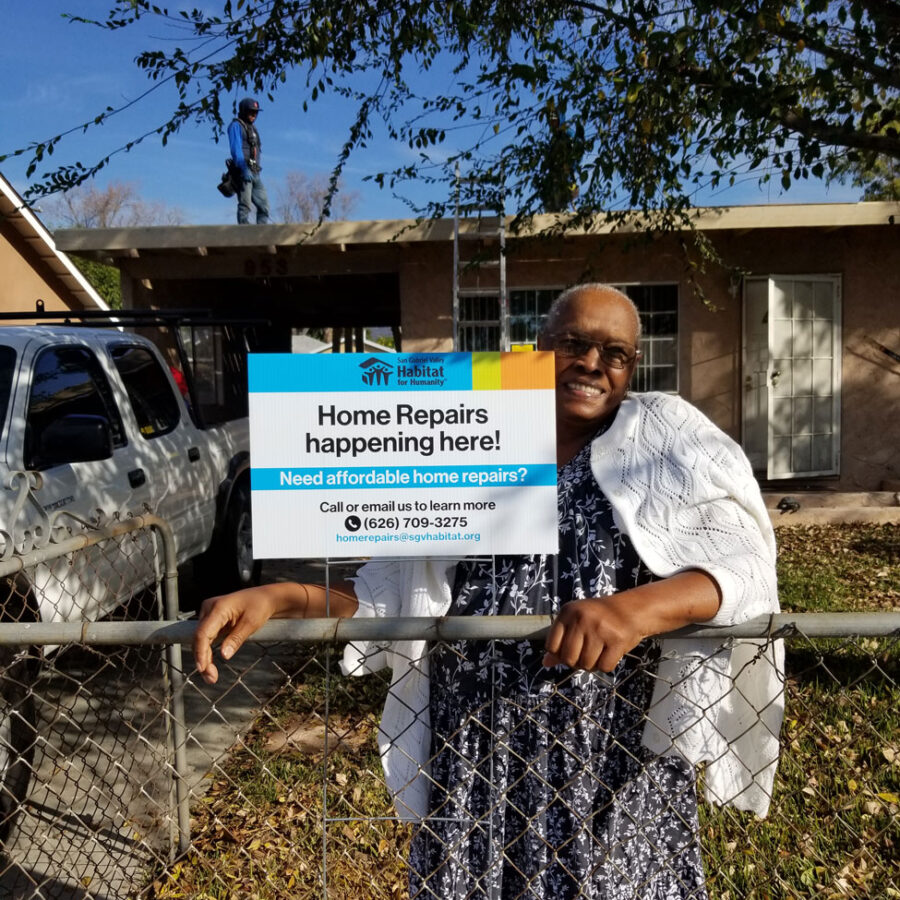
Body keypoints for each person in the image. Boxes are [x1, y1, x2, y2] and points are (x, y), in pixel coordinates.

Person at [193, 283, 783, 899]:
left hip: (610, 750)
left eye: (615, 354)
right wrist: (280, 596)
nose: (591, 364)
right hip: (480, 745)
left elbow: (745, 569)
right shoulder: (466, 427)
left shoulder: (667, 440)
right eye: (574, 343)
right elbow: (392, 592)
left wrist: (638, 609)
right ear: (540, 346)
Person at [227, 97, 270, 224]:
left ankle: (261, 235)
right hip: (243, 170)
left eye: (256, 112)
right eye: (251, 112)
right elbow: (236, 150)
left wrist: (255, 169)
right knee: (245, 204)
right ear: (243, 111)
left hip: (254, 171)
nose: (254, 115)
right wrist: (243, 168)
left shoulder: (253, 129)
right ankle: (244, 234)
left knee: (264, 206)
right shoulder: (236, 125)